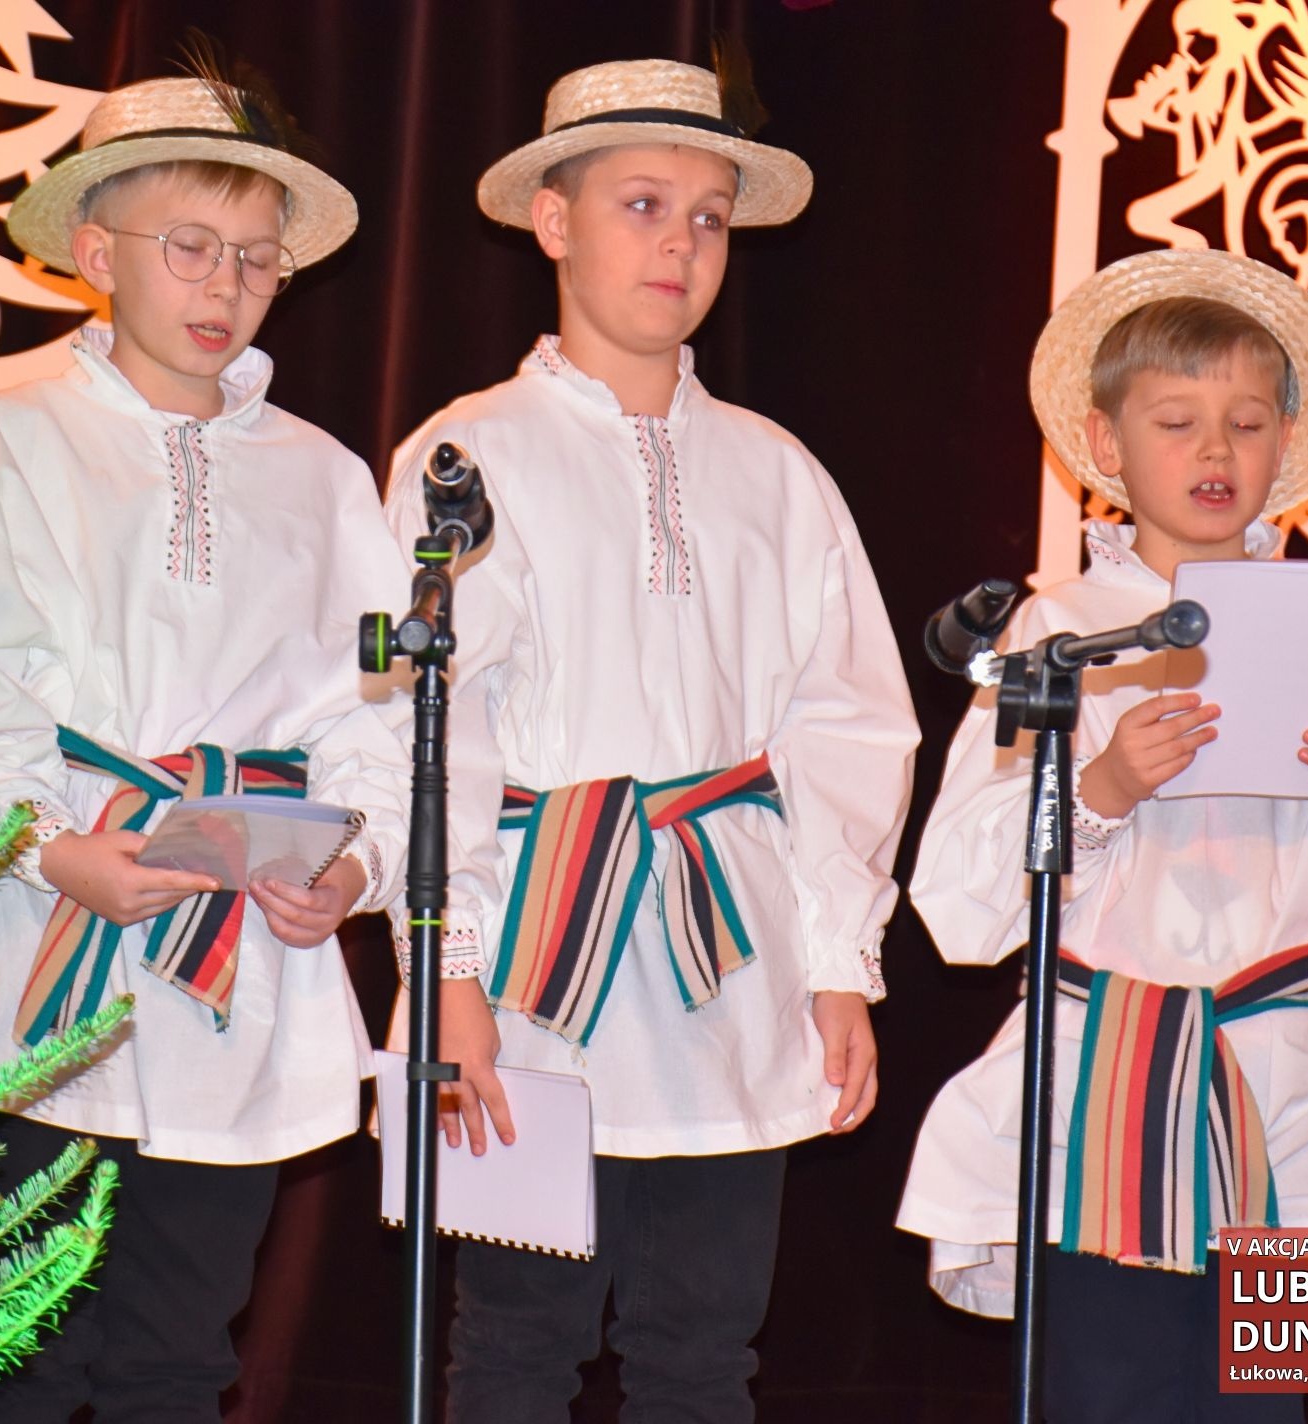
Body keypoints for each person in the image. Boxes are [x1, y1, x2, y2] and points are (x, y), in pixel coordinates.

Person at [0, 69, 408, 1423]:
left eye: (257, 260)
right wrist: (49, 850)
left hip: (235, 963)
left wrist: (354, 864)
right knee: (6, 1353)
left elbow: (376, 701)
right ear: (98, 254)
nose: (225, 286)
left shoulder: (327, 477)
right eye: (190, 246)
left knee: (180, 1351)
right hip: (39, 947)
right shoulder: (15, 440)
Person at [385, 54, 919, 1423]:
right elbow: (426, 735)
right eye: (640, 204)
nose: (679, 243)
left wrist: (836, 962)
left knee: (702, 1347)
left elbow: (844, 722)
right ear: (552, 221)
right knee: (515, 1343)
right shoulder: (469, 452)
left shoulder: (776, 471)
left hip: (726, 962)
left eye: (708, 216)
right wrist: (444, 969)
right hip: (530, 962)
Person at [897, 248, 1308, 1422]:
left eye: (1244, 423)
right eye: (1175, 421)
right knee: (1105, 1386)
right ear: (1105, 443)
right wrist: (1102, 786)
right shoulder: (1054, 632)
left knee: (1259, 1402)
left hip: (1291, 1086)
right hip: (1102, 1083)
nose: (1214, 449)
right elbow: (959, 903)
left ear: (1284, 444)